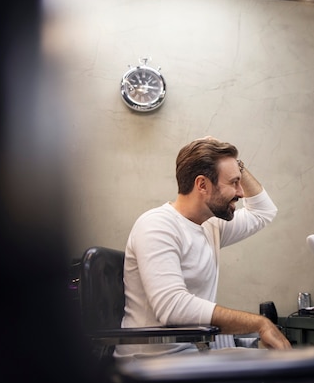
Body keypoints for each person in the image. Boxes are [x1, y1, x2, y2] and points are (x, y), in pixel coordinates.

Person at [115, 137, 291, 359]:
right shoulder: (157, 225)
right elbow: (173, 306)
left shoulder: (210, 225)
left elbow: (263, 212)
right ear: (202, 185)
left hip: (188, 355)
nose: (241, 192)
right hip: (150, 363)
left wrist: (239, 166)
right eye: (233, 183)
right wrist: (260, 324)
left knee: (281, 363)